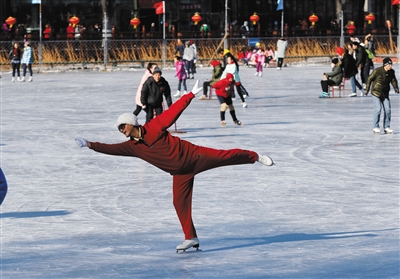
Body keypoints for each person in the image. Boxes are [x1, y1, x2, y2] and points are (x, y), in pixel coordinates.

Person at [74, 82, 274, 252]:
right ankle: (191, 237)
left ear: (131, 123)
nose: (121, 130)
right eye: (119, 129)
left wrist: (189, 95)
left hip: (194, 156)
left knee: (225, 156)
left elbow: (173, 111)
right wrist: (90, 145)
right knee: (179, 203)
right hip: (180, 173)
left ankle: (254, 156)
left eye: (122, 126)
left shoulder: (154, 126)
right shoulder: (132, 147)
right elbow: (111, 149)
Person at [365, 58, 399, 134]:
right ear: (385, 65)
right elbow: (370, 78)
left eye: (391, 64)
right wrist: (367, 89)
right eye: (389, 65)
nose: (390, 66)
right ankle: (375, 126)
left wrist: (396, 87)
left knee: (388, 110)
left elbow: (393, 80)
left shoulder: (391, 72)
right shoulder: (377, 71)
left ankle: (387, 126)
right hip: (376, 92)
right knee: (378, 109)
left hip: (385, 93)